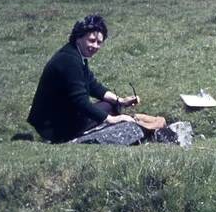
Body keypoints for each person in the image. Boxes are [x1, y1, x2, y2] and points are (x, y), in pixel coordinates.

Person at [27, 14, 140, 142]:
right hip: (53, 127)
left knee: (112, 105)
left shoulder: (75, 54)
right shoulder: (69, 60)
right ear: (78, 37)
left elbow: (92, 85)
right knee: (110, 109)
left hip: (56, 119)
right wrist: (112, 119)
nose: (95, 46)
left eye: (99, 42)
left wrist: (120, 100)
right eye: (91, 40)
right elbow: (80, 101)